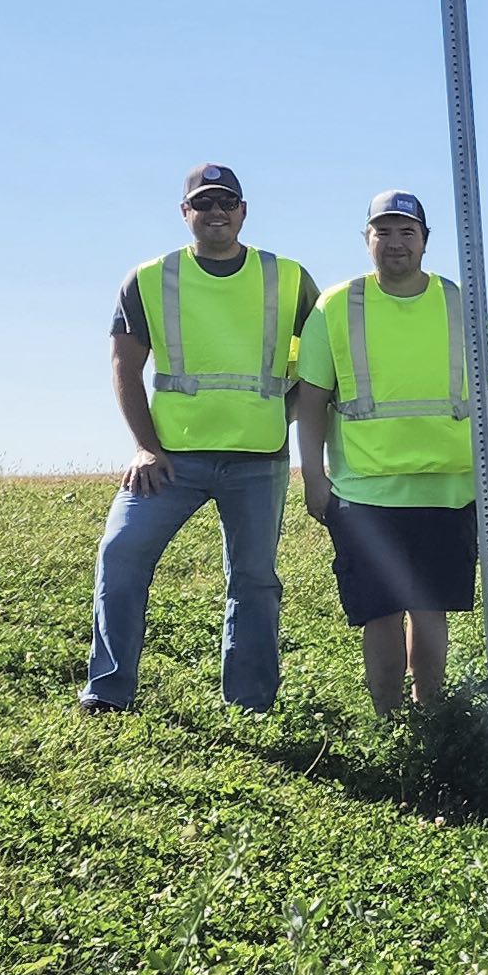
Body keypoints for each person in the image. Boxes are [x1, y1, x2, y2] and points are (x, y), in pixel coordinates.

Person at [81, 164, 315, 715]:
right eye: (203, 204)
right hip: (170, 458)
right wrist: (145, 446)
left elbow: (320, 366)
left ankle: (251, 704)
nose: (216, 213)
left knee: (255, 581)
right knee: (121, 554)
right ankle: (109, 694)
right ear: (185, 213)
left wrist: (277, 417)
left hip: (260, 459)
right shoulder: (149, 278)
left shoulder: (288, 277)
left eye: (226, 202)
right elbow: (124, 362)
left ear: (243, 211)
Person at [294, 191, 488, 717]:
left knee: (430, 608)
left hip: (451, 486)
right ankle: (389, 720)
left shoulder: (458, 301)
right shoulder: (337, 305)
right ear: (367, 239)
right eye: (383, 232)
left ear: (425, 242)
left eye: (406, 232)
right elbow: (311, 399)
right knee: (380, 612)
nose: (395, 243)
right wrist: (312, 476)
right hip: (364, 491)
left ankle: (430, 714)